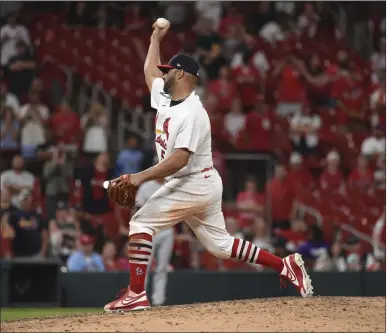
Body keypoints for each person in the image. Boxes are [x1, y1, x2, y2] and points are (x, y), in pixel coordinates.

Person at [104, 20, 313, 313]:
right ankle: (285, 265)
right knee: (220, 246)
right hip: (201, 183)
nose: (161, 75)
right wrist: (155, 38)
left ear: (180, 73)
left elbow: (179, 159)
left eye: (168, 71)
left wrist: (138, 178)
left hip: (191, 181)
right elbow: (149, 72)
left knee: (141, 223)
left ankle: (136, 294)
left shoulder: (193, 113)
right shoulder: (165, 97)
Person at [135, 178, 174, 307]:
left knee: (162, 267)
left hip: (167, 230)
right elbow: (137, 208)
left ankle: (159, 300)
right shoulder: (146, 186)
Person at [8, 189, 48, 258]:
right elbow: (9, 234)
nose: (25, 201)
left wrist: (43, 250)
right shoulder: (14, 215)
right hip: (18, 253)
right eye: (24, 199)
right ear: (20, 200)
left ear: (31, 199)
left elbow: (44, 232)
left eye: (27, 199)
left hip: (36, 253)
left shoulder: (37, 214)